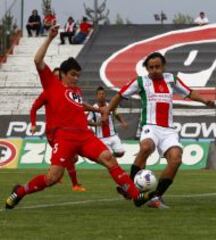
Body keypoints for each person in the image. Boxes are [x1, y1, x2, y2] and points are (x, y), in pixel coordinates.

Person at [5, 26, 145, 210]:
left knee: (109, 158)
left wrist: (99, 111)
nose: (76, 79)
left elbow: (79, 106)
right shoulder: (52, 84)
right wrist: (49, 38)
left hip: (84, 135)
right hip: (63, 136)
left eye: (78, 75)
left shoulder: (76, 91)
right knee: (53, 178)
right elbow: (37, 60)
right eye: (73, 75)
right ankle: (20, 191)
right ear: (62, 74)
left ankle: (135, 195)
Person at [103, 52, 215, 208]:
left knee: (176, 159)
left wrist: (205, 101)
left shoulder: (171, 79)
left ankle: (155, 197)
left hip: (168, 130)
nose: (154, 70)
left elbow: (189, 92)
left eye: (157, 67)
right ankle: (131, 189)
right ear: (147, 69)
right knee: (146, 147)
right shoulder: (140, 81)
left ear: (163, 66)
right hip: (150, 125)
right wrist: (107, 111)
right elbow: (119, 95)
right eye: (151, 67)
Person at [30, 67, 94, 192]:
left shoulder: (67, 92)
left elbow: (78, 108)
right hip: (53, 132)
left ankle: (58, 174)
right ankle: (73, 183)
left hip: (64, 130)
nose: (56, 79)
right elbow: (34, 108)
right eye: (54, 77)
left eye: (58, 77)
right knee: (70, 157)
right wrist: (33, 124)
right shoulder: (48, 92)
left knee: (70, 158)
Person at [88, 86, 128, 158]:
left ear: (105, 95)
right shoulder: (93, 108)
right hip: (101, 138)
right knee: (108, 157)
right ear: (96, 96)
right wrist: (96, 124)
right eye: (100, 94)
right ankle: (111, 160)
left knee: (121, 153)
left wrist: (123, 122)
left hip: (113, 135)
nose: (102, 96)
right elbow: (87, 121)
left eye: (103, 94)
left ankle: (112, 157)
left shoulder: (110, 105)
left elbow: (116, 113)